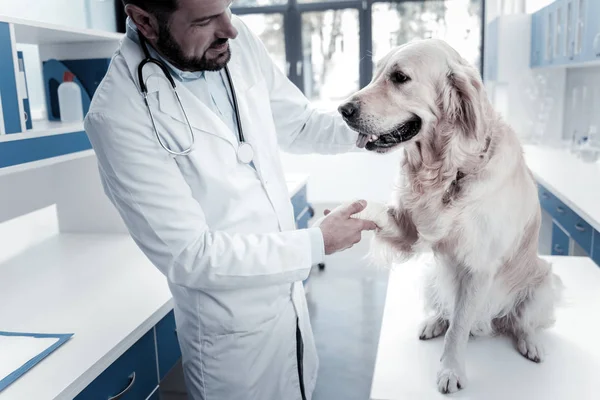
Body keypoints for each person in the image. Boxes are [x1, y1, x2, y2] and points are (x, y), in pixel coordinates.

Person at [83, 0, 377, 399]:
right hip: (232, 342)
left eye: (228, 7)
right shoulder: (118, 113)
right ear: (145, 22)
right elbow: (192, 256)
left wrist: (377, 128)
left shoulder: (231, 41)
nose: (231, 29)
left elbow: (300, 124)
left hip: (290, 312)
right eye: (206, 20)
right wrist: (316, 242)